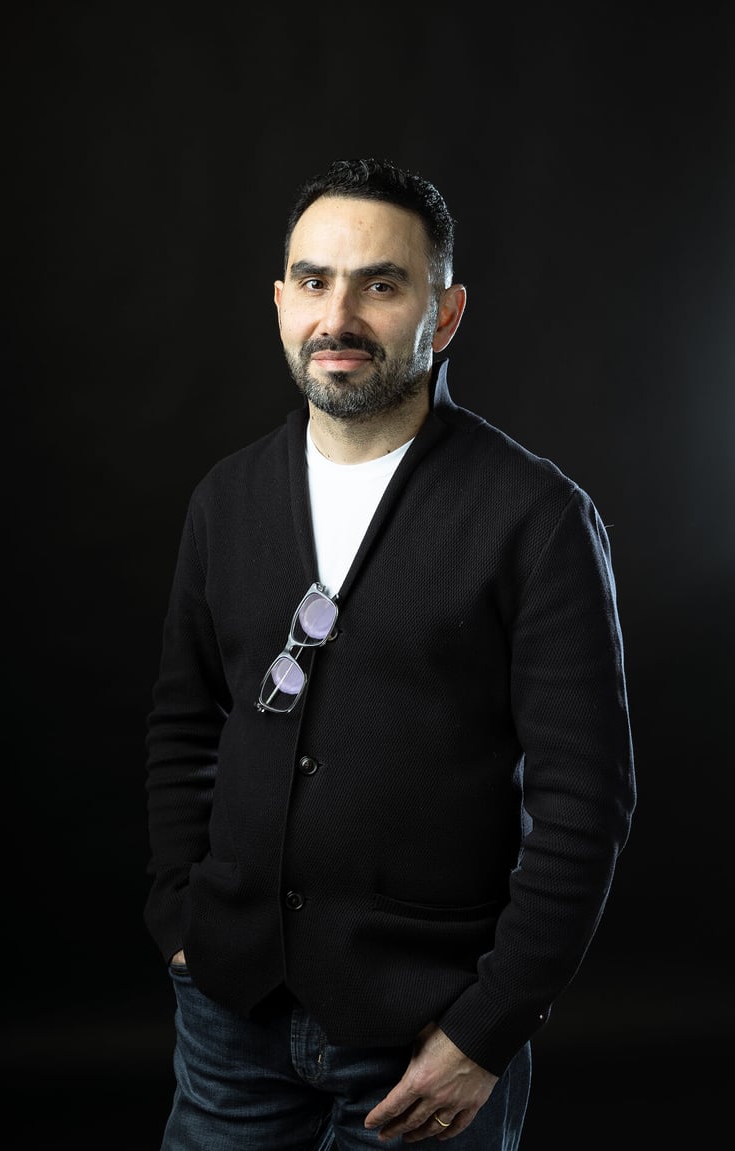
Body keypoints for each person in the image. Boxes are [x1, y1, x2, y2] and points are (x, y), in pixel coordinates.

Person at [143, 157, 636, 1150]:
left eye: (380, 284)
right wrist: (178, 917)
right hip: (229, 1017)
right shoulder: (226, 499)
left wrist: (490, 1026)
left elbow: (586, 802)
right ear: (280, 301)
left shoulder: (536, 518)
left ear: (444, 315)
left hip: (428, 1032)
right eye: (314, 281)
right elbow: (186, 722)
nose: (339, 316)